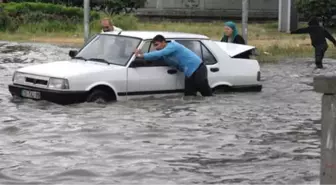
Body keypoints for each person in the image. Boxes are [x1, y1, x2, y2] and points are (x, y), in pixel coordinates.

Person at [134, 34, 213, 97]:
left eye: (157, 45)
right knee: (189, 95)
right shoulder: (165, 55)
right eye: (154, 46)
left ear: (163, 42)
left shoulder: (172, 46)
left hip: (198, 68)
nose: (156, 47)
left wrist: (142, 55)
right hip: (188, 72)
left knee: (205, 92)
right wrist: (141, 61)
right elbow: (156, 58)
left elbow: (159, 54)